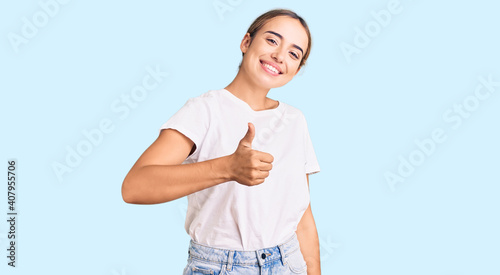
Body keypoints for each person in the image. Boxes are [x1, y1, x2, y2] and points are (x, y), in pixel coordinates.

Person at [121, 8, 321, 275]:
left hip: (289, 262)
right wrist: (228, 168)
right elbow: (135, 187)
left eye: (294, 53)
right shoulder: (204, 111)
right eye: (272, 40)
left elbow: (303, 217)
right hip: (219, 267)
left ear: (296, 70)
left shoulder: (295, 120)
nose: (279, 55)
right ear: (246, 42)